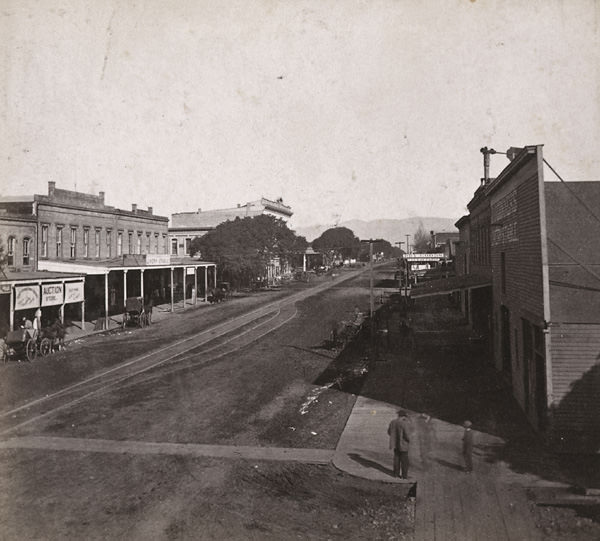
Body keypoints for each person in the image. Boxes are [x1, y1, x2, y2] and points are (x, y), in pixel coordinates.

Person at [388, 410, 411, 479]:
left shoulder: (393, 422)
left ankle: (395, 474)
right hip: (403, 445)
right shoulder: (404, 423)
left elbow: (389, 432)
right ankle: (404, 476)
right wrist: (409, 440)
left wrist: (394, 437)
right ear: (404, 416)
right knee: (404, 461)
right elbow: (407, 435)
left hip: (395, 444)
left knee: (396, 459)